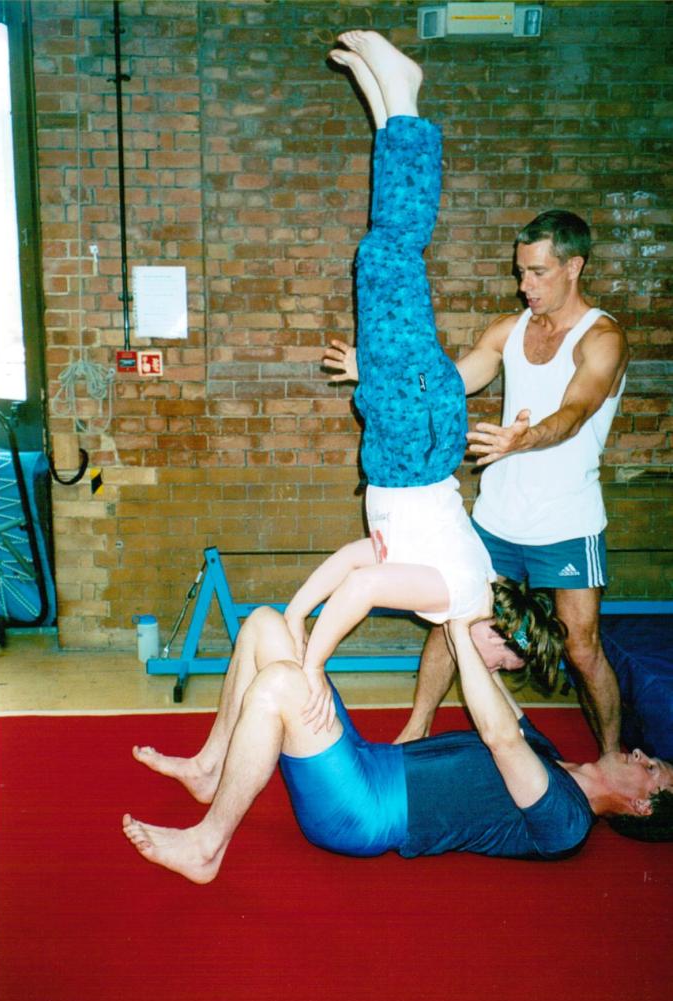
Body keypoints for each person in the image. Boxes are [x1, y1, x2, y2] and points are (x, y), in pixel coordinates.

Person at [283, 30, 562, 733]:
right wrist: (310, 664)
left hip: (410, 428)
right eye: (503, 663)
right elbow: (363, 588)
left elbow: (361, 558)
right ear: (501, 635)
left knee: (382, 251)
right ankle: (403, 98)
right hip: (411, 437)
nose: (490, 671)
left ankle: (387, 108)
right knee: (390, 251)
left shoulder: (469, 600)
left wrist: (295, 613)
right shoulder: (458, 596)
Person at [324, 174, 628, 756]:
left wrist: (526, 438)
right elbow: (446, 386)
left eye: (537, 272)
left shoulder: (603, 338)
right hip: (496, 517)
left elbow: (576, 411)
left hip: (567, 521)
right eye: (520, 272)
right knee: (454, 620)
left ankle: (612, 757)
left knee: (581, 646)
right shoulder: (510, 330)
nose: (524, 285)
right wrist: (379, 374)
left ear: (574, 267)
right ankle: (416, 729)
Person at [122, 603, 673, 884]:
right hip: (367, 760)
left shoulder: (567, 822)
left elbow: (501, 737)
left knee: (280, 685)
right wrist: (480, 618)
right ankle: (211, 770)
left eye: (652, 770)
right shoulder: (552, 754)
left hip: (364, 811)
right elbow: (489, 675)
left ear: (641, 806)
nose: (641, 754)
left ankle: (208, 846)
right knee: (266, 624)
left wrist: (459, 629)